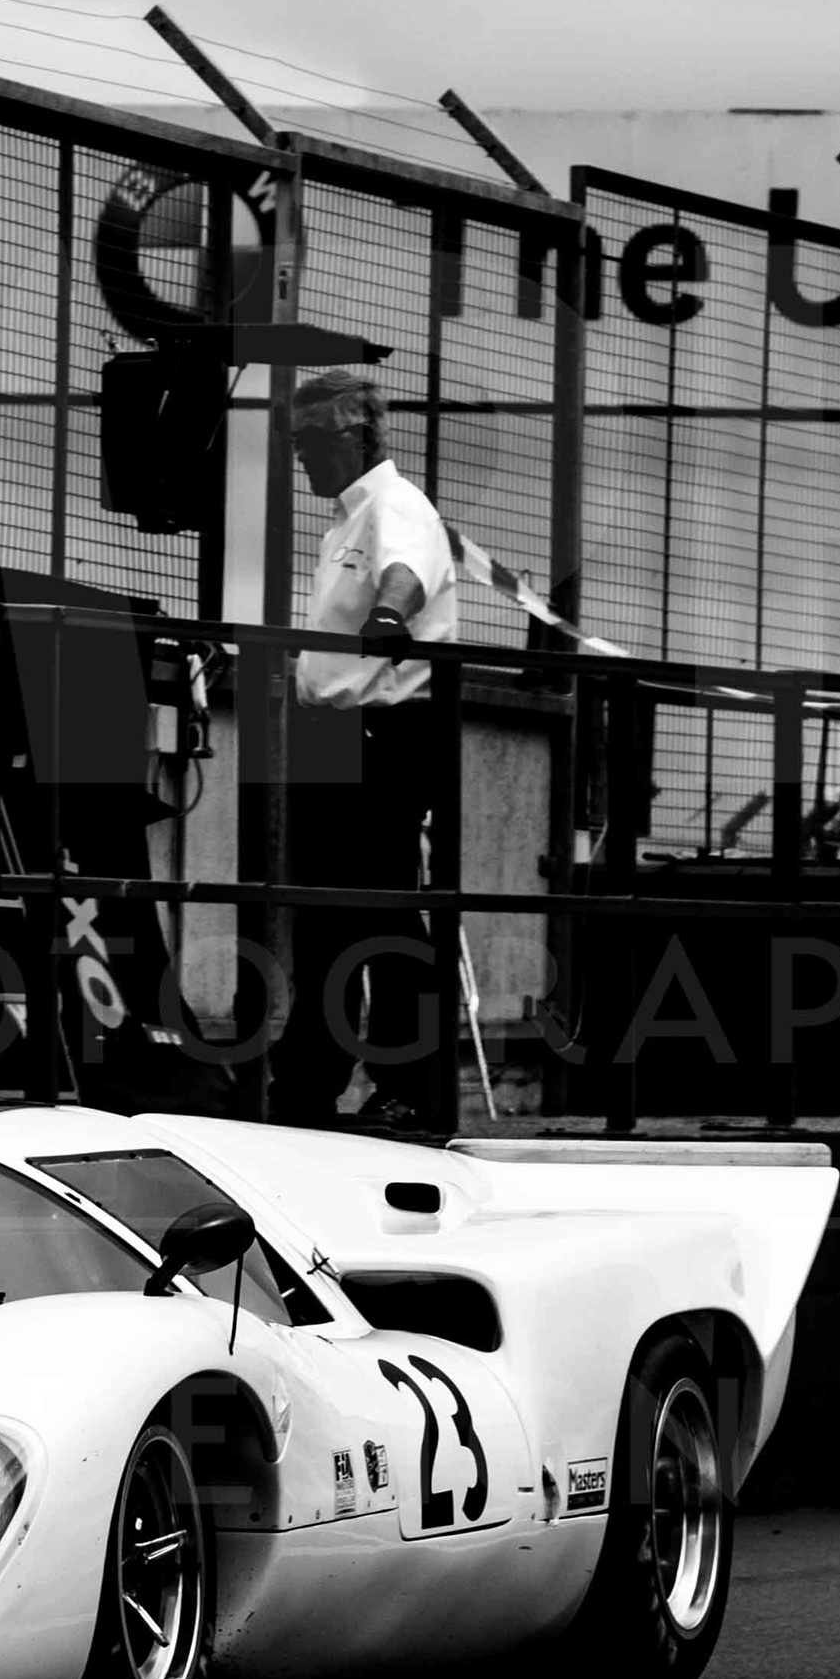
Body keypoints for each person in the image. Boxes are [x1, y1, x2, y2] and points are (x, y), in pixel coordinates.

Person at [268, 371, 461, 1131]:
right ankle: (310, 1079)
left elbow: (406, 573)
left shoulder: (396, 507)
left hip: (384, 731)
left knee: (376, 910)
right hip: (336, 732)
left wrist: (389, 612)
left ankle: (410, 1079)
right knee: (327, 917)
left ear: (352, 436)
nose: (301, 458)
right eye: (295, 442)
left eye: (309, 442)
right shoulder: (343, 524)